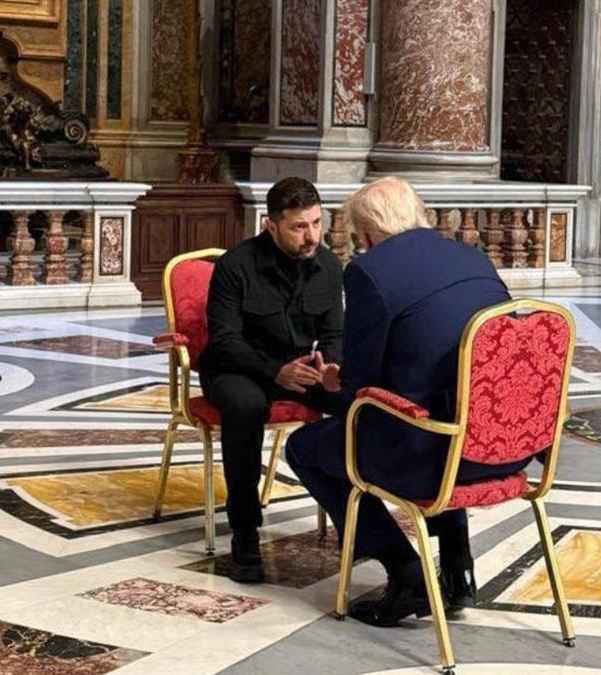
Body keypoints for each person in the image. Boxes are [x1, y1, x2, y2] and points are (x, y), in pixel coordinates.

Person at [285, 177, 535, 626]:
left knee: (306, 447)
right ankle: (458, 567)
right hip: (504, 449)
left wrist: (331, 383)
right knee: (449, 402)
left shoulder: (370, 271)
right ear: (420, 214)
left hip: (429, 463)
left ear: (365, 236)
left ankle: (405, 571)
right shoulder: (473, 257)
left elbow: (360, 388)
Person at [199, 177, 345, 584]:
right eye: (299, 227)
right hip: (236, 369)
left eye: (317, 223)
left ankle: (355, 519)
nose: (311, 235)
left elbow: (334, 333)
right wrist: (273, 371)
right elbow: (225, 339)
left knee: (359, 400)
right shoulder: (236, 265)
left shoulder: (329, 266)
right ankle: (245, 530)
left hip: (300, 369)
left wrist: (330, 367)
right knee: (246, 407)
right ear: (271, 225)